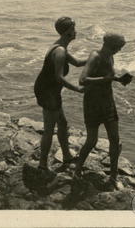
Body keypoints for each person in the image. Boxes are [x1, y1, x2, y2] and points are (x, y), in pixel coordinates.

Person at [74, 33, 132, 189]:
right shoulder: (95, 56)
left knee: (115, 139)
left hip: (107, 102)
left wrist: (117, 79)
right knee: (91, 140)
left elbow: (106, 75)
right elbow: (82, 80)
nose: (119, 51)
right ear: (111, 46)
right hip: (92, 103)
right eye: (119, 48)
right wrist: (105, 79)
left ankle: (113, 176)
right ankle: (77, 169)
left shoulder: (110, 56)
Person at [34, 17, 87, 172]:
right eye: (74, 29)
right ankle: (43, 164)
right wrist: (77, 89)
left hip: (49, 89)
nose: (76, 31)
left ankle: (66, 156)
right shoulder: (60, 51)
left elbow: (77, 62)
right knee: (49, 128)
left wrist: (96, 57)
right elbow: (59, 77)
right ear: (68, 32)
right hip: (48, 91)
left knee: (62, 124)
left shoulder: (60, 46)